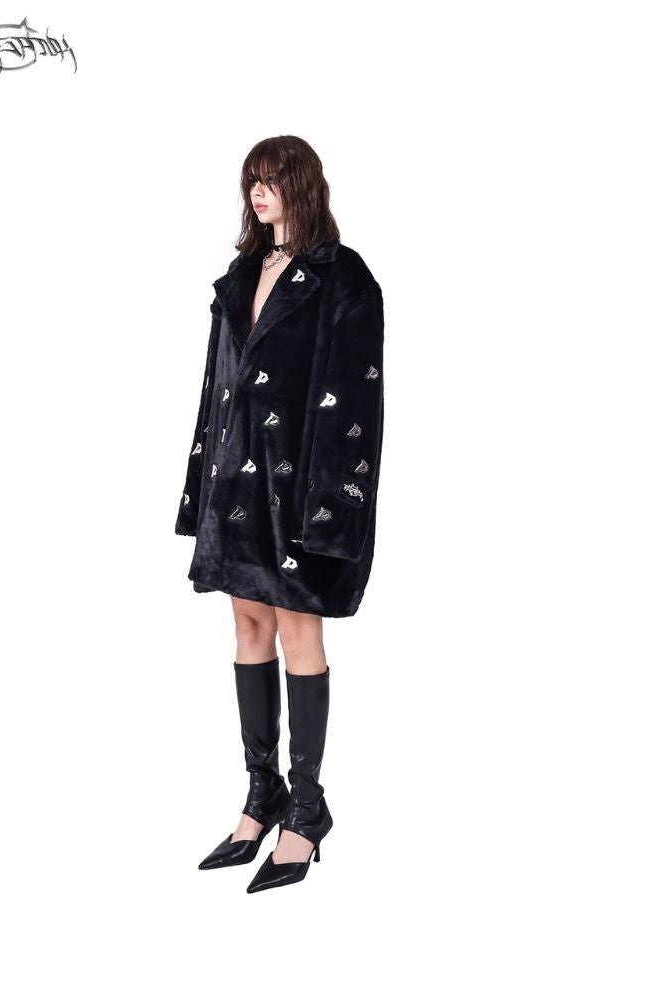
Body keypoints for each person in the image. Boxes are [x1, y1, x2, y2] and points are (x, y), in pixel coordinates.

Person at [175, 135, 385, 892]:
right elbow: (217, 389)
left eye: (271, 180)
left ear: (302, 185)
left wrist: (332, 507)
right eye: (251, 181)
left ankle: (306, 808)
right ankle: (259, 794)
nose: (257, 192)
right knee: (247, 624)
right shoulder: (240, 275)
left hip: (299, 491)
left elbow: (354, 399)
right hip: (237, 487)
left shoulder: (342, 276)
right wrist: (200, 485)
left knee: (299, 628)